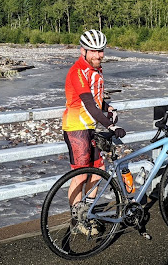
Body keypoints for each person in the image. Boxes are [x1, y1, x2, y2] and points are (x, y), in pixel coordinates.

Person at [62, 29, 126, 234]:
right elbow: (88, 103)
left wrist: (108, 108)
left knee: (98, 172)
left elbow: (96, 97)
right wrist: (111, 126)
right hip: (76, 127)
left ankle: (87, 213)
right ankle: (76, 220)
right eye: (93, 51)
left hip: (91, 126)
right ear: (83, 51)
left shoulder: (96, 69)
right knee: (80, 176)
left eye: (101, 51)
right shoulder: (77, 71)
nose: (98, 55)